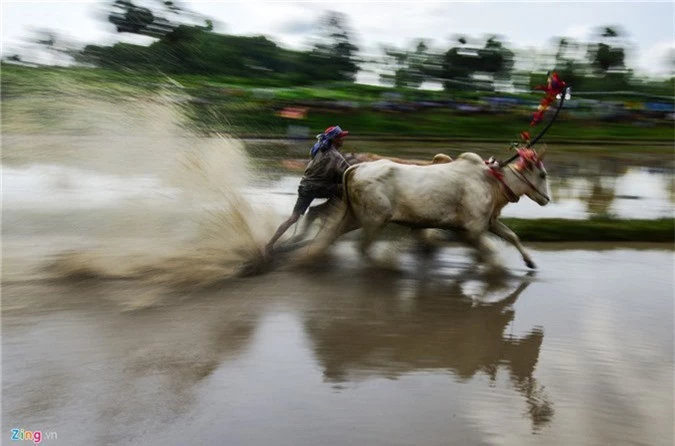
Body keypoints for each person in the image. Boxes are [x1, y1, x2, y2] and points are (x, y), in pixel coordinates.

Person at [266, 125, 351, 254]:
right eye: (340, 138)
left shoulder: (318, 149)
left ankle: (269, 244)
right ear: (335, 140)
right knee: (345, 190)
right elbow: (349, 173)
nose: (342, 140)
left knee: (293, 218)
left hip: (304, 186)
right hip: (319, 188)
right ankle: (329, 218)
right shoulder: (336, 157)